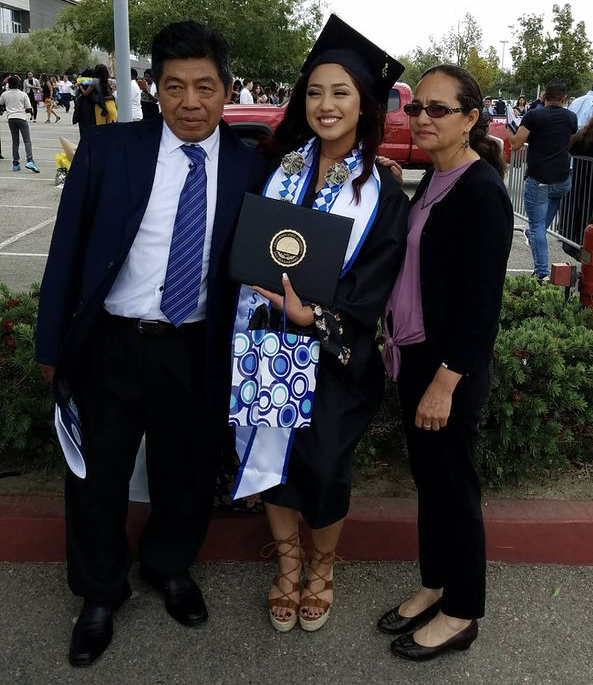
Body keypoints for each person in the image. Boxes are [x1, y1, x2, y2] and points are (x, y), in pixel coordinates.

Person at [35, 20, 268, 668]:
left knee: (187, 470)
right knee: (95, 475)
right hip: (110, 340)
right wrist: (52, 341)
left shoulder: (252, 167)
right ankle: (100, 592)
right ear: (154, 89)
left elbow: (285, 251)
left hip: (195, 345)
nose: (189, 102)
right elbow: (67, 252)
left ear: (226, 90)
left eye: (203, 86)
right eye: (174, 87)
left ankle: (168, 566)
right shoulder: (109, 150)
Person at [231, 14, 408, 633]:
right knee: (270, 459)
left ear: (365, 105)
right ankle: (287, 563)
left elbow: (376, 280)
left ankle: (323, 567)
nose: (325, 105)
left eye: (341, 93)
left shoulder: (382, 191)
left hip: (333, 354)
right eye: (314, 91)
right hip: (264, 342)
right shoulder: (275, 164)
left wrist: (317, 316)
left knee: (327, 467)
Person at [378, 64, 513, 661]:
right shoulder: (435, 178)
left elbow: (483, 303)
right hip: (414, 356)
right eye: (416, 109)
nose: (422, 118)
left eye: (438, 109)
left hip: (447, 368)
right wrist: (393, 180)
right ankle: (435, 583)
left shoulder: (482, 191)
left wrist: (445, 381)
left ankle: (461, 611)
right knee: (431, 482)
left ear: (470, 118)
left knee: (455, 487)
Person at [507, 80, 578, 282]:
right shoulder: (571, 117)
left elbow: (515, 144)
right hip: (563, 178)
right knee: (541, 226)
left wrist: (508, 129)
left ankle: (541, 272)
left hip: (539, 178)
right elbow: (571, 141)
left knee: (538, 226)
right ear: (564, 98)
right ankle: (532, 235)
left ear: (544, 96)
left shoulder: (534, 115)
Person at [0, 76, 40, 173]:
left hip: (11, 118)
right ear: (18, 84)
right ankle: (30, 160)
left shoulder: (4, 94)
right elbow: (28, 108)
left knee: (15, 141)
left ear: (8, 84)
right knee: (26, 139)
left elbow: (1, 104)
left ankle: (16, 163)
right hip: (21, 118)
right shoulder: (23, 94)